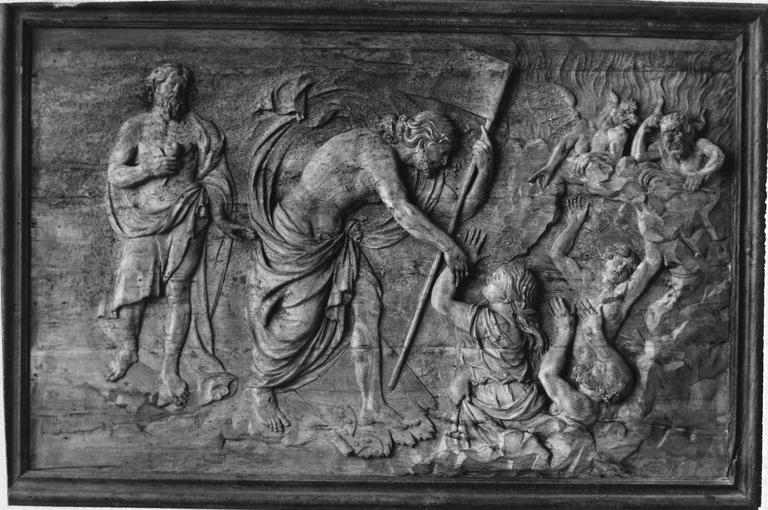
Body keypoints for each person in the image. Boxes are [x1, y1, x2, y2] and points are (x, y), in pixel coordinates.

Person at [247, 111, 493, 434]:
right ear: (426, 140)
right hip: (297, 236)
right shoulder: (373, 149)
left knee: (368, 303)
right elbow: (401, 210)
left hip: (332, 242)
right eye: (443, 153)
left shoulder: (399, 172)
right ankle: (261, 387)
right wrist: (449, 247)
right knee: (299, 323)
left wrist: (484, 171)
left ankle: (371, 406)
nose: (445, 163)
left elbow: (458, 210)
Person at [100, 63, 253, 407]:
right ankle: (128, 350)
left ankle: (170, 369)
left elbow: (216, 178)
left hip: (189, 216)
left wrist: (219, 216)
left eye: (181, 87)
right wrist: (148, 168)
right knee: (132, 287)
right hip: (143, 221)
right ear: (155, 89)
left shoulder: (201, 130)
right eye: (170, 86)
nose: (176, 92)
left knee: (178, 291)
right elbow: (115, 173)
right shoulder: (136, 127)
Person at [430, 228, 548, 442]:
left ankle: (509, 440)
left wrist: (457, 264)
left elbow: (441, 302)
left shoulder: (491, 322)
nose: (489, 277)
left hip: (503, 398)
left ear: (508, 295)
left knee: (463, 407)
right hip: (518, 394)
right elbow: (491, 362)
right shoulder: (509, 324)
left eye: (496, 278)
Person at [548, 195, 662, 404]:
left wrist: (645, 222)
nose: (621, 268)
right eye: (618, 262)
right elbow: (557, 255)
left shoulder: (624, 293)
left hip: (603, 370)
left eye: (628, 268)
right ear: (607, 260)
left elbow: (652, 262)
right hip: (574, 367)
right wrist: (574, 223)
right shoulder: (586, 283)